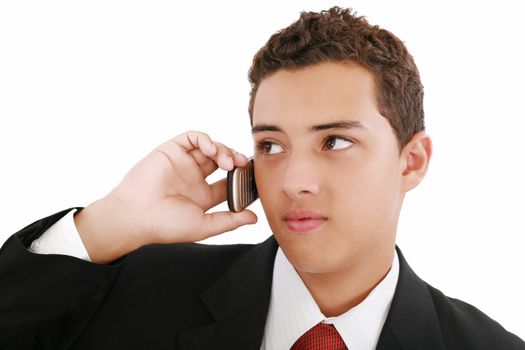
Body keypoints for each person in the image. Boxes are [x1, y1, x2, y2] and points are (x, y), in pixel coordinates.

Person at [1, 6, 523, 350]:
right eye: (270, 145)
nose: (293, 180)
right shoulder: (139, 292)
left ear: (411, 161)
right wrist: (111, 221)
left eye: (334, 141)